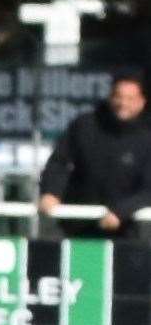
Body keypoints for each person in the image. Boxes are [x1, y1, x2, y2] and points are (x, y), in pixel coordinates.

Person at [37, 71, 151, 238]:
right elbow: (59, 162)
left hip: (125, 232)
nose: (123, 103)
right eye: (118, 96)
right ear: (110, 97)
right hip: (75, 227)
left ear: (142, 102)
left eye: (130, 99)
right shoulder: (84, 125)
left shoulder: (147, 138)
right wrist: (51, 192)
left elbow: (148, 190)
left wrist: (121, 212)